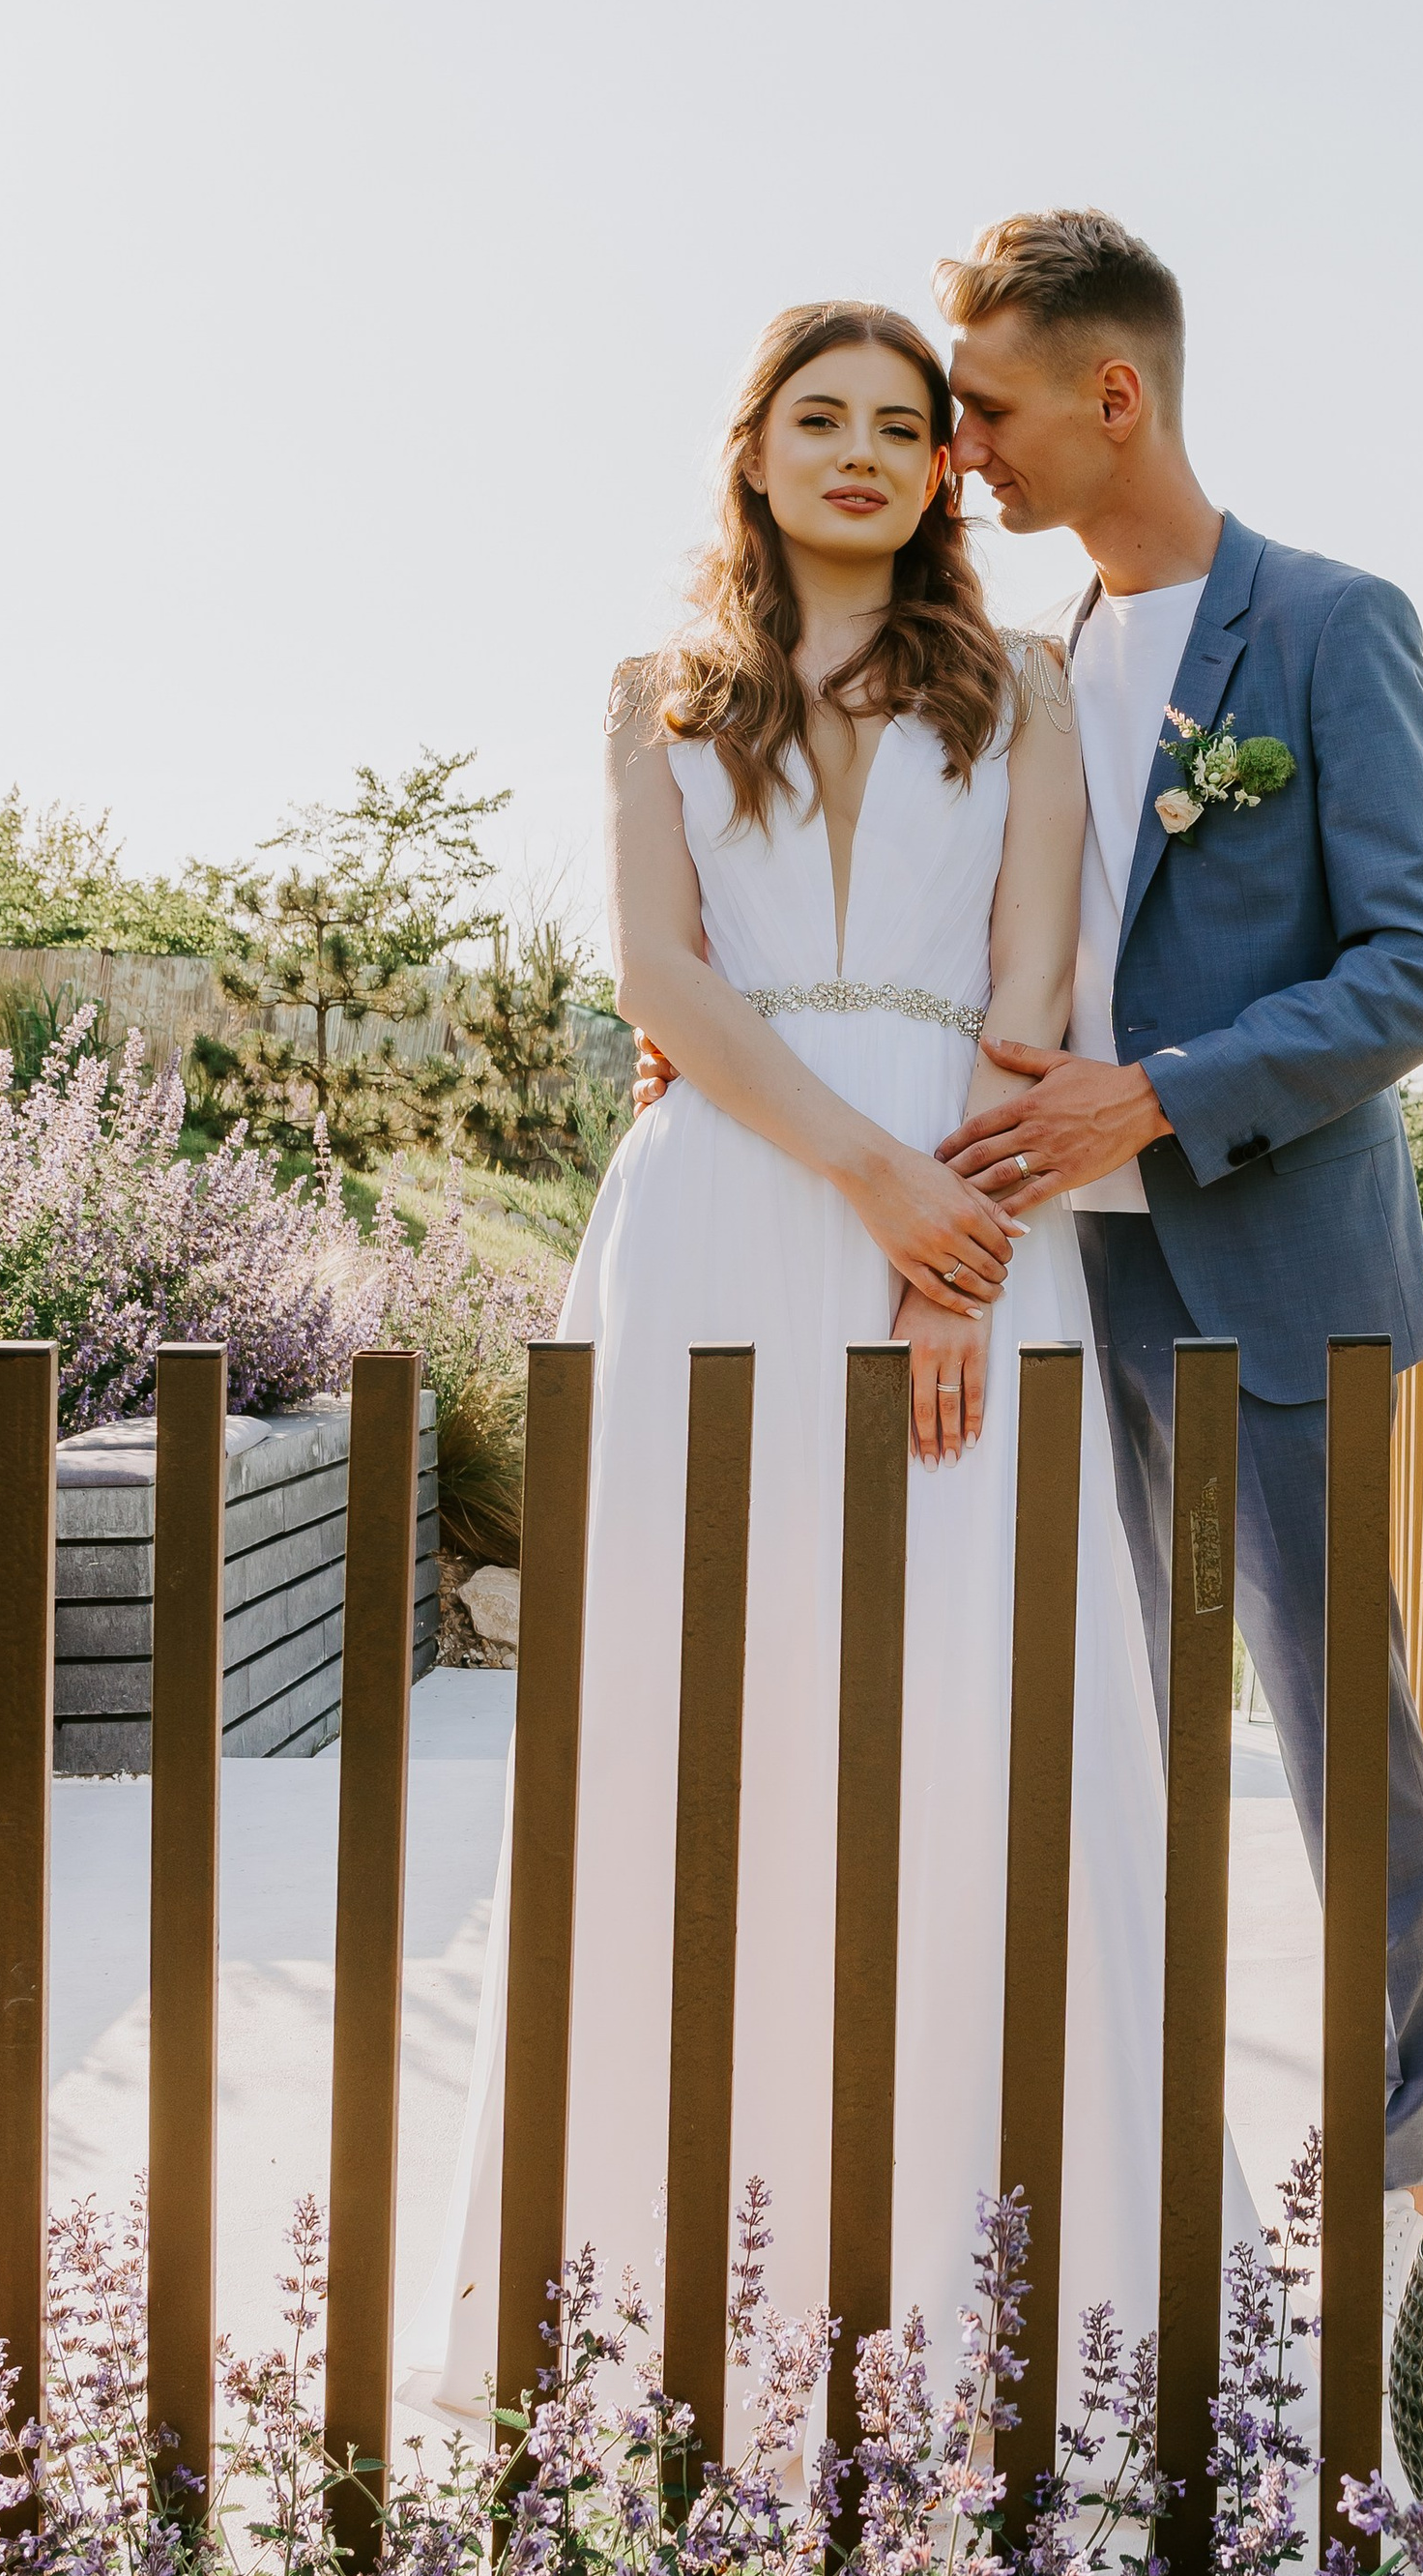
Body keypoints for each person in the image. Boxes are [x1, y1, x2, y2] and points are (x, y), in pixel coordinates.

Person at [421, 299, 1222, 2439]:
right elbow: (659, 970)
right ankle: (670, 2290)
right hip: (733, 1208)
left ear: (941, 469)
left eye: (900, 423)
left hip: (972, 1223)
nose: (864, 451)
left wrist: (952, 1259)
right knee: (708, 1705)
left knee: (977, 1702)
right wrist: (870, 1181)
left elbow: (1035, 971)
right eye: (820, 419)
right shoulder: (655, 691)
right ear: (753, 453)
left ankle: (992, 2299)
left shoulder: (1022, 687)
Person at [929, 212, 1423, 2275]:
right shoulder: (1025, 671)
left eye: (982, 405)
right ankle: (1130, 2131)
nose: (955, 448)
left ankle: (1404, 2146)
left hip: (1269, 1272)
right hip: (1053, 1274)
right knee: (1099, 1714)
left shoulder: (1332, 625)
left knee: (1337, 1720)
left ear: (1112, 390)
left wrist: (1153, 1095)